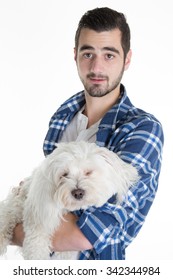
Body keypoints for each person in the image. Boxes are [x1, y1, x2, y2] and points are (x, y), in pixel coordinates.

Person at [12, 7, 164, 259]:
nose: (96, 67)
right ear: (75, 56)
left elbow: (85, 235)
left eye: (109, 55)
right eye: (88, 53)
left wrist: (20, 227)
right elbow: (50, 193)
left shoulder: (142, 130)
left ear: (127, 59)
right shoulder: (63, 117)